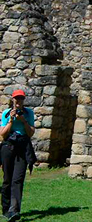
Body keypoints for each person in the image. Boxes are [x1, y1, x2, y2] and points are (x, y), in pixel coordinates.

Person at [0, 90, 36, 222]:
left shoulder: (28, 113)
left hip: (22, 148)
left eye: (21, 98)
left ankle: (14, 210)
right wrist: (10, 120)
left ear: (24, 100)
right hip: (8, 148)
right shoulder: (5, 113)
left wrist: (23, 121)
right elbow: (2, 134)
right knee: (7, 180)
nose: (18, 101)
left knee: (18, 179)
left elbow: (30, 133)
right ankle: (5, 209)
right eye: (16, 98)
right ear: (13, 100)